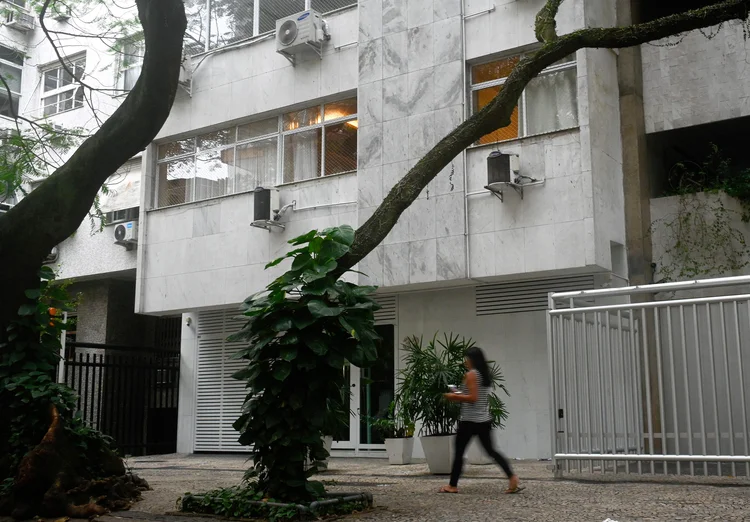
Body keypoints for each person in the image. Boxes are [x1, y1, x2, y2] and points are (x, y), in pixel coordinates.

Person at [439, 346, 522, 494]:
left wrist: (454, 396)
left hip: (470, 421)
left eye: (466, 358)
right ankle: (512, 476)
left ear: (471, 359)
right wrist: (458, 391)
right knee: (491, 451)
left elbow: (473, 398)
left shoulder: (472, 374)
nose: (465, 362)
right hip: (484, 420)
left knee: (459, 452)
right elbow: (474, 394)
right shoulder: (483, 375)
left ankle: (452, 485)